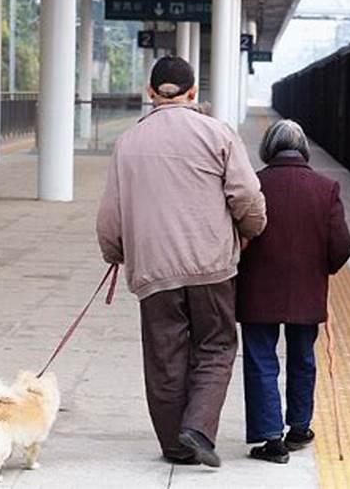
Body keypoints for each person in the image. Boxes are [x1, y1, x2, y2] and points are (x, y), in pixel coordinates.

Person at [96, 56, 267, 467]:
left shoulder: (129, 142)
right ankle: (199, 428)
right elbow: (247, 198)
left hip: (154, 271)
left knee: (164, 356)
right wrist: (249, 231)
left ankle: (175, 446)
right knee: (216, 345)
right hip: (212, 265)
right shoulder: (217, 134)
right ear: (193, 93)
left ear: (150, 93)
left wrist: (115, 252)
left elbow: (109, 216)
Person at [236, 119, 350, 463]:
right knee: (303, 359)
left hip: (258, 291)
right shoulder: (326, 187)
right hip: (307, 291)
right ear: (302, 149)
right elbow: (342, 244)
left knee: (261, 361)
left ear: (269, 149)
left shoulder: (255, 185)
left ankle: (271, 440)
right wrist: (322, 269)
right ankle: (299, 428)